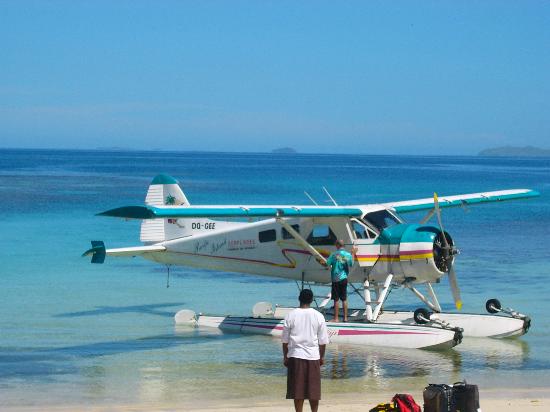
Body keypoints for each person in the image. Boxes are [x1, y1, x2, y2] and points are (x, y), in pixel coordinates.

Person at [282, 289, 329, 412]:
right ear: (312, 300)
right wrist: (321, 357)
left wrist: (285, 357)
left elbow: (285, 341)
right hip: (313, 356)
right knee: (314, 390)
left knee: (297, 390)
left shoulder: (290, 315)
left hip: (295, 355)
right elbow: (323, 341)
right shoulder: (318, 316)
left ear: (299, 298)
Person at [325, 239, 356, 322]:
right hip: (344, 278)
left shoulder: (333, 255)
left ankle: (336, 318)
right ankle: (345, 318)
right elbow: (351, 264)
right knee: (344, 298)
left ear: (337, 245)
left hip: (335, 279)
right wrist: (353, 253)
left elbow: (327, 265)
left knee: (336, 299)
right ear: (344, 245)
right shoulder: (348, 255)